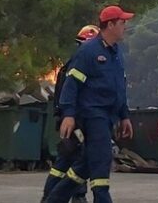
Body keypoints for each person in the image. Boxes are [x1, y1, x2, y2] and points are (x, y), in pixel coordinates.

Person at [46, 6, 134, 203]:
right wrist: (68, 115)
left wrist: (124, 116)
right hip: (93, 116)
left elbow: (119, 87)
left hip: (109, 117)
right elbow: (71, 85)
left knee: (84, 166)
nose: (125, 27)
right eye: (122, 22)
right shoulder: (88, 51)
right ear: (110, 25)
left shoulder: (115, 52)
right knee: (101, 165)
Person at [41, 25, 100, 203]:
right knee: (77, 161)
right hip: (76, 122)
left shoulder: (72, 64)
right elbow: (72, 95)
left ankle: (51, 198)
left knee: (65, 162)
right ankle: (77, 196)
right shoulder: (78, 65)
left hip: (71, 120)